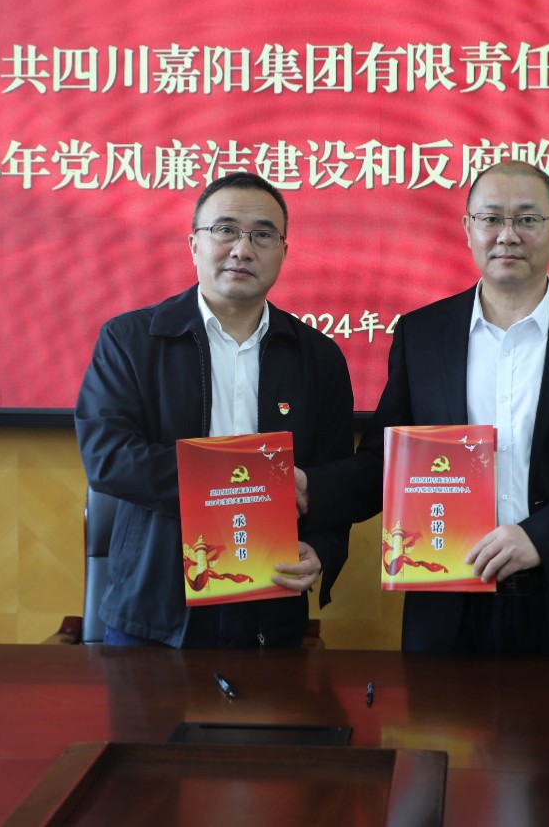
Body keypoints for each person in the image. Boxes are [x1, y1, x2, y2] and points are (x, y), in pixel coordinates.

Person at [305, 160, 549, 654]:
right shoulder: (423, 334)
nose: (508, 235)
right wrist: (311, 490)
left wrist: (540, 537)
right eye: (491, 218)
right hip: (451, 608)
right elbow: (384, 464)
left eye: (527, 219)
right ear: (468, 229)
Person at [75, 172, 354, 648]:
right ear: (194, 245)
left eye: (262, 235)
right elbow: (109, 458)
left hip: (271, 598)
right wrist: (243, 482)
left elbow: (336, 475)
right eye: (225, 230)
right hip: (154, 605)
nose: (242, 249)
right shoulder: (130, 340)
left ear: (283, 251)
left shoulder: (317, 356)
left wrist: (322, 549)